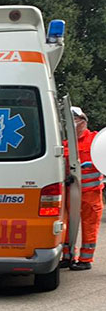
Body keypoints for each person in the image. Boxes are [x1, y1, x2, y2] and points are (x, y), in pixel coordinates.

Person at [61, 107, 102, 270]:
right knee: (67, 224)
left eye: (76, 119)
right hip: (71, 193)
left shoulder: (95, 140)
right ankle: (67, 255)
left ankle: (85, 260)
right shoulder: (64, 144)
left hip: (91, 194)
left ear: (83, 121)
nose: (73, 123)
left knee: (89, 225)